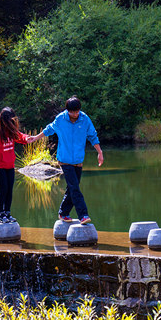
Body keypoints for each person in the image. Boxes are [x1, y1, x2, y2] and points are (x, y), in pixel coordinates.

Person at [29, 96, 103, 224]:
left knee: (72, 187)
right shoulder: (61, 119)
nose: (75, 114)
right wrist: (35, 138)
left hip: (78, 160)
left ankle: (63, 213)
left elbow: (92, 136)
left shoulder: (84, 119)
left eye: (77, 111)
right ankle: (83, 215)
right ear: (67, 110)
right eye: (72, 112)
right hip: (65, 160)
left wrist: (100, 152)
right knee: (74, 187)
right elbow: (49, 129)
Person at [0, 107, 29, 223]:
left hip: (9, 166)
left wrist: (27, 138)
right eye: (10, 121)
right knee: (3, 189)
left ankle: (7, 213)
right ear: (4, 120)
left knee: (9, 190)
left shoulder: (10, 130)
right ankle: (0, 214)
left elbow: (19, 136)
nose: (12, 123)